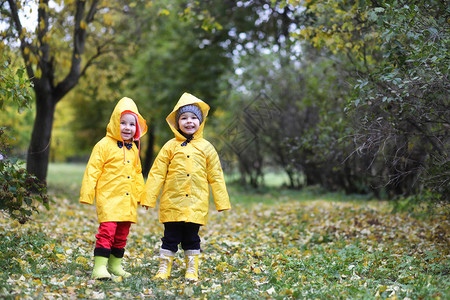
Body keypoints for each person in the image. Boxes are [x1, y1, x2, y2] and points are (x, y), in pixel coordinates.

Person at [141, 92, 230, 281]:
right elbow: (157, 173)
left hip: (195, 204)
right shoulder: (170, 147)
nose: (189, 122)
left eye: (193, 118)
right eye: (184, 118)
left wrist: (222, 201)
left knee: (191, 238)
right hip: (172, 203)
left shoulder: (207, 148)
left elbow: (216, 175)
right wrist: (148, 198)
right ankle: (164, 268)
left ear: (200, 121)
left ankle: (192, 268)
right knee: (170, 237)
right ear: (177, 122)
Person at [80, 97, 148, 280]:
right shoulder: (103, 145)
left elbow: (137, 172)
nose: (127, 128)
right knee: (107, 231)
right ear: (114, 122)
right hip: (109, 198)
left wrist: (142, 196)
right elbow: (92, 170)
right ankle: (99, 267)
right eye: (122, 123)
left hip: (127, 200)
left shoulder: (134, 149)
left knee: (122, 233)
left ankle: (115, 265)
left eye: (131, 124)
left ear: (137, 127)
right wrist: (87, 194)